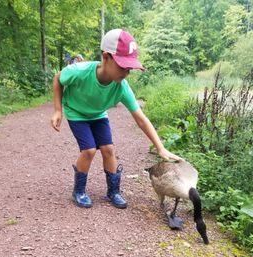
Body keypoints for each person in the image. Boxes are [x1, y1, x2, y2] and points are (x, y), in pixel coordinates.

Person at [51, 28, 181, 209]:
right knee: (89, 150)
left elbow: (140, 118)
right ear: (106, 57)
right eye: (122, 66)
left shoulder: (122, 87)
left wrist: (160, 148)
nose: (126, 73)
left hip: (98, 114)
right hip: (76, 113)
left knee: (108, 149)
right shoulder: (80, 71)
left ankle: (113, 191)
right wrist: (58, 110)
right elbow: (58, 79)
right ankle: (79, 191)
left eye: (129, 68)